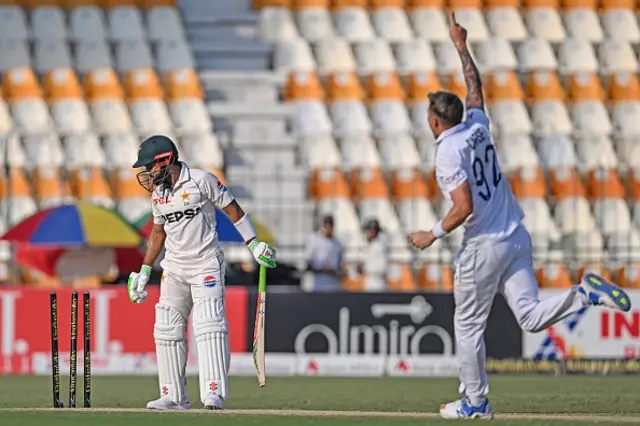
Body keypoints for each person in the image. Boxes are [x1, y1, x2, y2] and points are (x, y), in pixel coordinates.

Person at [409, 13, 632, 420]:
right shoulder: (477, 123)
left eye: (428, 114)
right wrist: (461, 46)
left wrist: (432, 234)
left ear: (436, 121)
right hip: (515, 234)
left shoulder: (446, 151)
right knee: (528, 316)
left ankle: (475, 403)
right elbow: (474, 87)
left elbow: (463, 207)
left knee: (468, 326)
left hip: (485, 245)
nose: (427, 118)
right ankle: (584, 294)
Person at [127, 135, 277, 411]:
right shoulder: (158, 195)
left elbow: (234, 210)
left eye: (149, 167)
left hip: (206, 262)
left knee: (208, 323)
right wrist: (144, 270)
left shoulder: (201, 180)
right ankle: (173, 396)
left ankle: (213, 392)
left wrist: (253, 244)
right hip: (174, 266)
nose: (147, 174)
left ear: (165, 160)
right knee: (166, 327)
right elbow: (158, 232)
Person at [304, 215, 343, 292]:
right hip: (318, 283)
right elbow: (308, 262)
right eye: (326, 226)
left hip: (333, 283)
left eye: (330, 226)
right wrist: (322, 269)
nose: (328, 228)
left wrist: (335, 271)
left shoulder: (337, 244)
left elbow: (340, 264)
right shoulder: (314, 241)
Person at [358, 219, 389, 291]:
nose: (368, 232)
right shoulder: (369, 245)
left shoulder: (381, 246)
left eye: (370, 230)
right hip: (369, 284)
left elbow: (383, 268)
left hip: (378, 285)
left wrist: (365, 268)